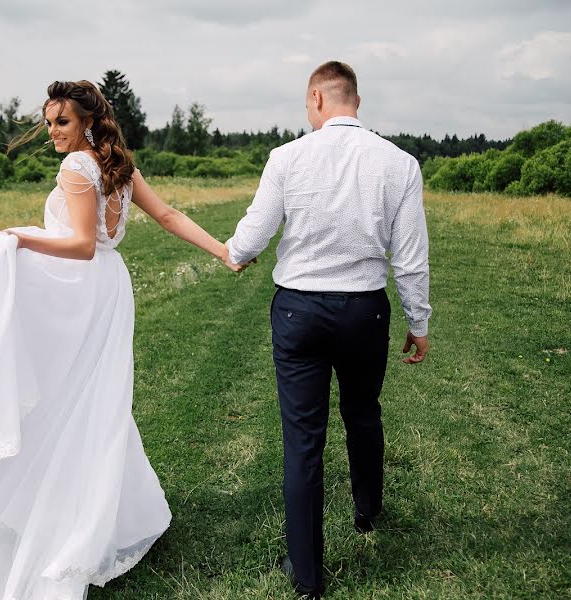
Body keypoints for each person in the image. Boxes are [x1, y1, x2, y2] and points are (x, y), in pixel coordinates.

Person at [0, 79, 236, 600]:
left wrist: (12, 235)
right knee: (91, 404)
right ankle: (85, 512)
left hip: (79, 289)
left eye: (62, 122)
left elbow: (80, 245)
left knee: (61, 403)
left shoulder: (78, 168)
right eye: (49, 121)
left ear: (87, 123)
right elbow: (167, 216)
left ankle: (53, 517)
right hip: (107, 290)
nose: (52, 131)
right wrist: (222, 251)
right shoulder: (119, 166)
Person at [224, 61, 432, 598]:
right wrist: (419, 321)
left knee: (303, 440)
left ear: (317, 97)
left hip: (298, 312)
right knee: (363, 412)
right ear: (354, 100)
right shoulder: (399, 163)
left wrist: (235, 253)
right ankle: (366, 512)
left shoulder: (286, 158)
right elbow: (409, 257)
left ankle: (309, 579)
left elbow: (252, 236)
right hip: (365, 311)